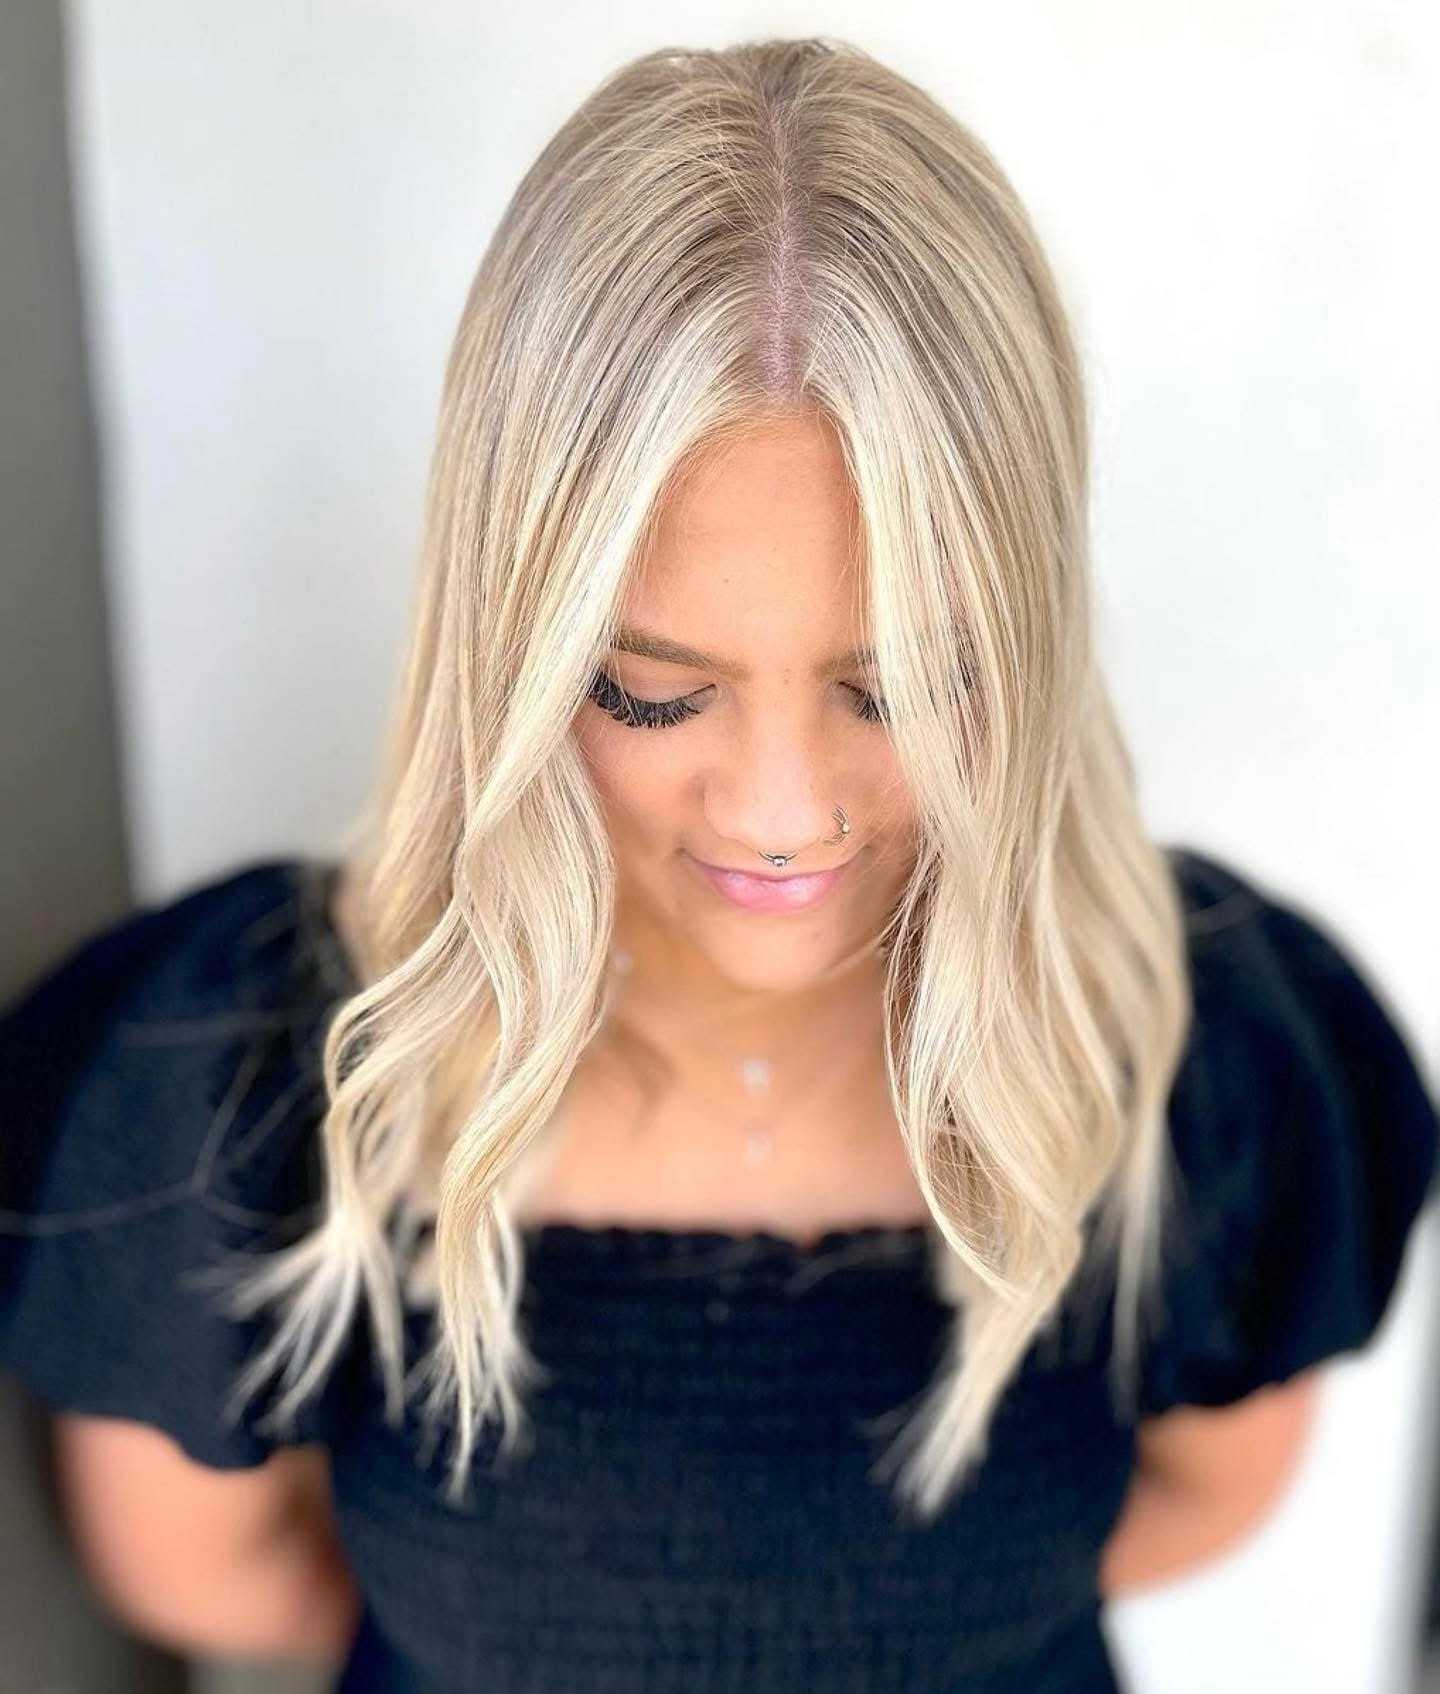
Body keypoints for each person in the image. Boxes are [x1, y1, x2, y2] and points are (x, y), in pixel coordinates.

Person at [2, 36, 1437, 1694]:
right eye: (656, 687)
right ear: (512, 645)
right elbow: (199, 1569)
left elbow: (1211, 1492)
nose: (779, 810)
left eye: (900, 682)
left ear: (1028, 639)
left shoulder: (1197, 1051)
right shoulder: (256, 1075)